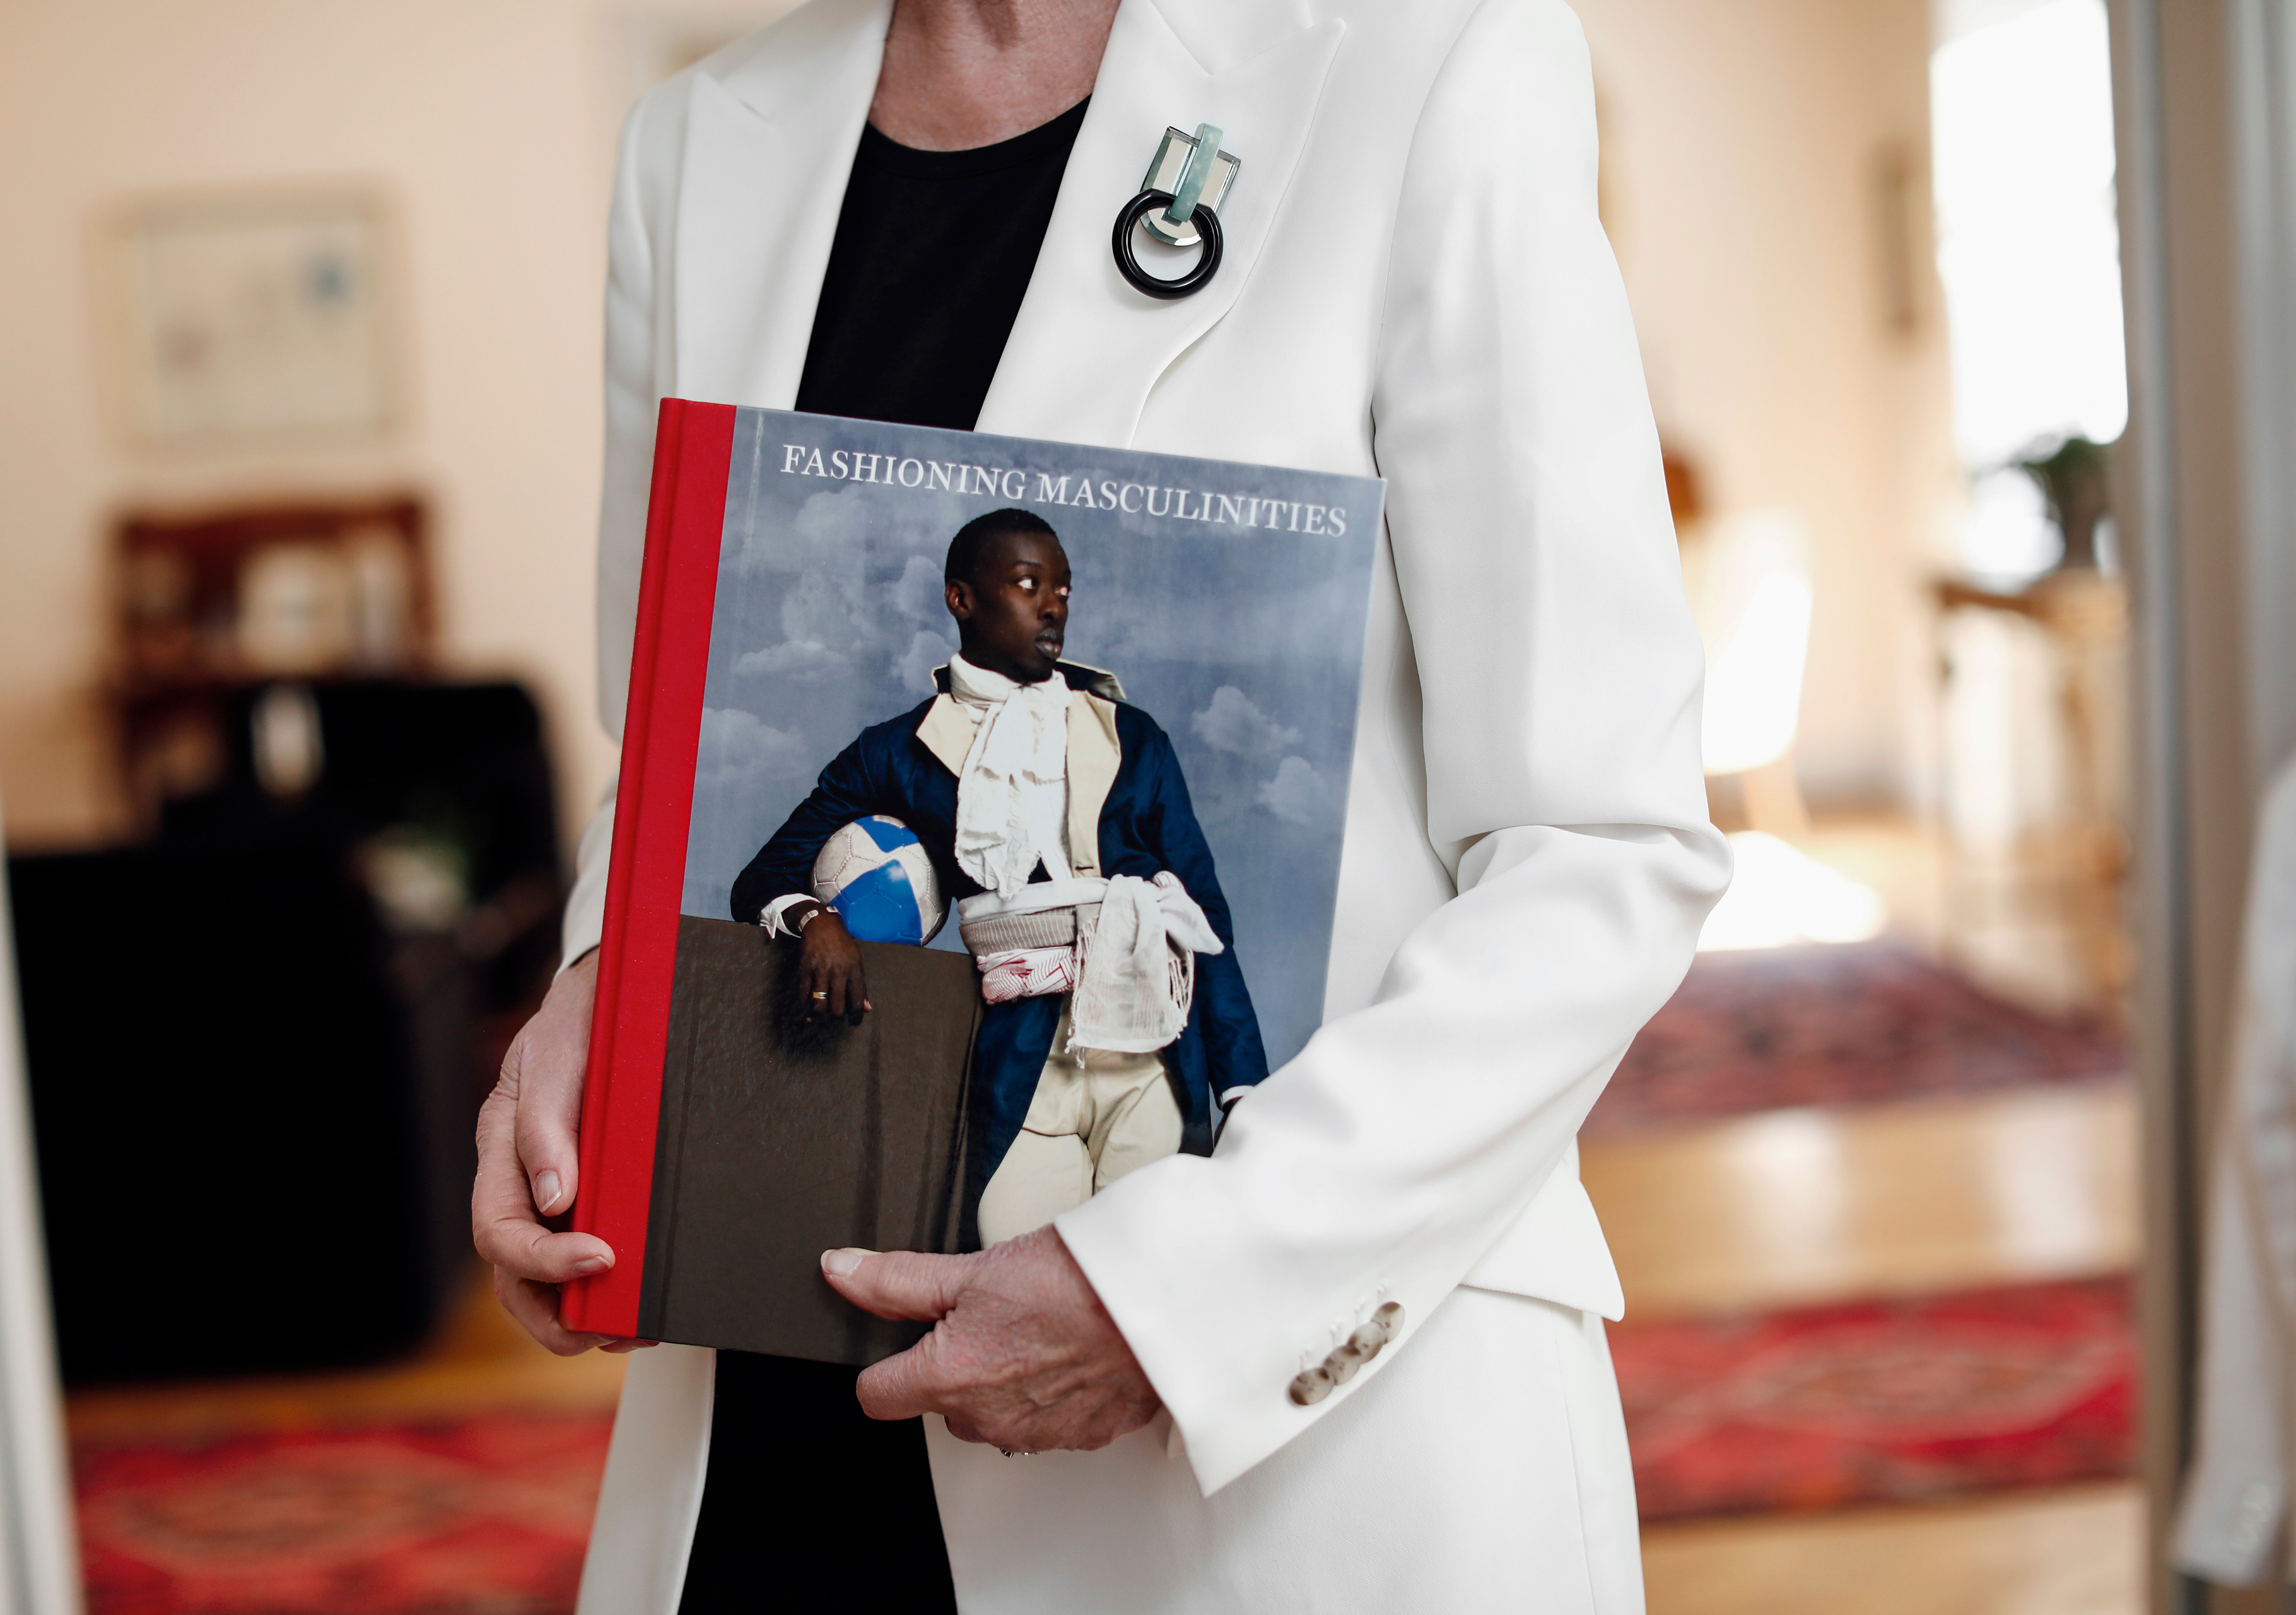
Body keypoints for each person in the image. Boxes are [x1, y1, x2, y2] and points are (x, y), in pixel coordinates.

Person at [471, 0, 1733, 1602]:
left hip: (1279, 1441)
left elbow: (1599, 842)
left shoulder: (1436, 61)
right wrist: (601, 994)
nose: (1049, 607)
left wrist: (1185, 1289)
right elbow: (660, 742)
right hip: (786, 1389)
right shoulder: (693, 143)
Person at [731, 505, 1267, 1250]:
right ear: (961, 598)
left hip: (1153, 1043)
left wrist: (1243, 1089)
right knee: (1014, 1264)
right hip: (1022, 1056)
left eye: (1064, 590)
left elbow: (1203, 912)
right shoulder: (897, 750)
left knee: (1146, 1268)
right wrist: (814, 920)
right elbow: (763, 875)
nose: (1053, 606)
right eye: (1027, 584)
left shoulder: (1132, 736)